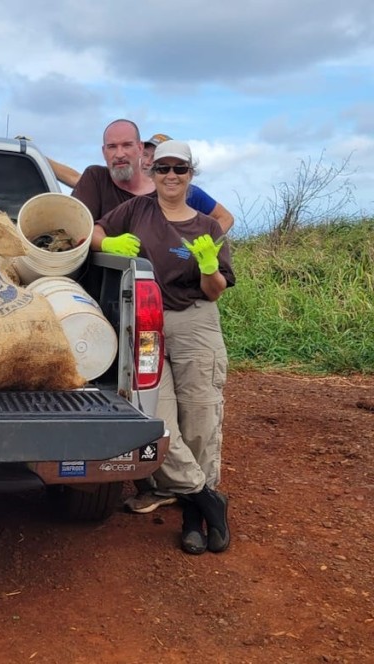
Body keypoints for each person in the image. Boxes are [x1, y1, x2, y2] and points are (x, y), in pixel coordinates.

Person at [90, 140, 234, 554]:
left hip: (194, 322)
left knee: (202, 416)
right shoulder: (136, 210)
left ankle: (193, 516)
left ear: (192, 175)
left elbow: (216, 291)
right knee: (157, 418)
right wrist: (107, 244)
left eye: (180, 169)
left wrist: (209, 268)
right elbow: (97, 229)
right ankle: (206, 498)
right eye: (164, 168)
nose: (171, 176)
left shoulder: (207, 226)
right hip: (147, 324)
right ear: (152, 173)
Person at [42, 122, 235, 232]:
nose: (151, 160)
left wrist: (202, 246)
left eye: (160, 159)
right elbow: (76, 178)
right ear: (141, 152)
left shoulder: (184, 192)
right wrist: (37, 156)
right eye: (148, 155)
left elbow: (225, 217)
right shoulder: (100, 180)